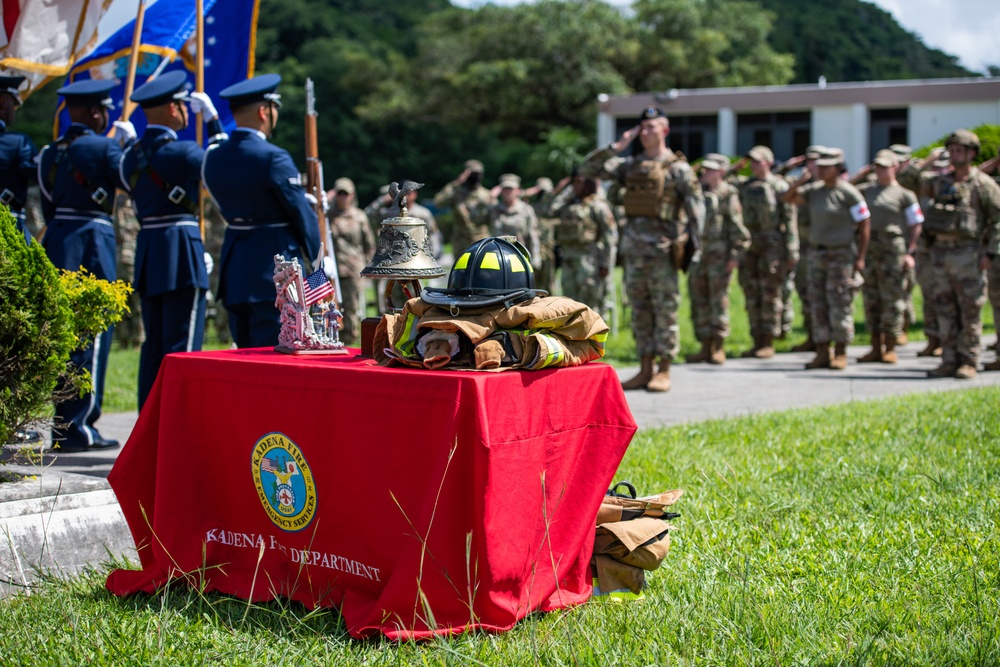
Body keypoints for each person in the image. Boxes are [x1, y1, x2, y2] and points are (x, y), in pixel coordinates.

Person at [38, 79, 134, 452]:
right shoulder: (105, 147)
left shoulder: (49, 151)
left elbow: (47, 202)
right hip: (93, 241)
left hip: (59, 239)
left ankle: (62, 424)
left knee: (62, 334)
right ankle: (80, 426)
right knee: (92, 335)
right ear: (96, 112)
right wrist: (126, 146)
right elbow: (129, 181)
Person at [119, 71, 224, 410]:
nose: (183, 111)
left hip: (149, 249)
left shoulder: (130, 155)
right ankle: (180, 419)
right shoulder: (182, 152)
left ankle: (148, 419)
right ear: (169, 108)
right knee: (183, 345)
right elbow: (222, 166)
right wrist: (214, 124)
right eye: (180, 104)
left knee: (154, 345)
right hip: (181, 247)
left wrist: (128, 145)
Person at [581, 106, 704, 392]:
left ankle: (664, 370)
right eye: (643, 127)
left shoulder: (678, 169)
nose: (646, 132)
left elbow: (698, 211)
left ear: (665, 130)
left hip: (663, 252)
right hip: (634, 254)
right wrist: (617, 146)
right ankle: (645, 367)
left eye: (652, 127)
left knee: (665, 311)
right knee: (640, 311)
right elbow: (588, 169)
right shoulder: (630, 166)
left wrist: (695, 248)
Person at [202, 73, 321, 348]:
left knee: (244, 357)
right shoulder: (273, 157)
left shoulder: (214, 158)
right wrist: (319, 272)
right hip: (276, 274)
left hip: (236, 274)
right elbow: (301, 217)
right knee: (277, 357)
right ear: (263, 111)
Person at [919, 130, 1000, 378]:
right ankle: (949, 359)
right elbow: (906, 177)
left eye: (959, 150)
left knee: (969, 311)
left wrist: (991, 254)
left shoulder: (983, 184)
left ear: (971, 153)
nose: (954, 155)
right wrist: (930, 160)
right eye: (951, 150)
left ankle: (969, 360)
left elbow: (998, 221)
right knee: (944, 308)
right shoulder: (941, 182)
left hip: (969, 254)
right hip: (941, 254)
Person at [784, 147, 870, 370]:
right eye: (818, 167)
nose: (820, 171)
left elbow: (864, 223)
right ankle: (823, 351)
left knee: (840, 302)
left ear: (837, 168)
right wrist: (799, 181)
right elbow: (788, 198)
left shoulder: (849, 192)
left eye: (825, 167)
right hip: (816, 253)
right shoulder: (814, 190)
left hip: (840, 255)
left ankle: (840, 352)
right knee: (818, 303)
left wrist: (860, 257)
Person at [855, 149, 923, 364]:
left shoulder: (905, 194)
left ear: (896, 167)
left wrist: (910, 251)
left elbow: (916, 224)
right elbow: (844, 188)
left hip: (893, 248)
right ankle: (875, 346)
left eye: (884, 166)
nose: (880, 170)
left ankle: (891, 346)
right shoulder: (866, 191)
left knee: (892, 299)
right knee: (871, 299)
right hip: (870, 248)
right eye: (877, 166)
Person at [687, 155, 750, 364]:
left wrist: (734, 257)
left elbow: (738, 229)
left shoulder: (727, 193)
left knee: (718, 301)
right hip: (699, 255)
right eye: (704, 169)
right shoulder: (698, 192)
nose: (705, 173)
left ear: (722, 172)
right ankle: (705, 346)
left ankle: (719, 347)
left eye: (711, 170)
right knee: (699, 300)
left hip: (719, 256)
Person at [738, 145, 798, 359]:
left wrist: (792, 251)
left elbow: (790, 220)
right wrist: (737, 167)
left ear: (769, 162)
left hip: (773, 247)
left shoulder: (780, 186)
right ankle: (756, 339)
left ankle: (769, 340)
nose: (754, 165)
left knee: (771, 294)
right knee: (752, 294)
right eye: (751, 161)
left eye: (758, 161)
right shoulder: (745, 186)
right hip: (750, 246)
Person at [546, 171, 618, 313]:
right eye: (574, 183)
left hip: (590, 261)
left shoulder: (597, 206)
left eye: (580, 182)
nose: (576, 186)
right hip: (569, 259)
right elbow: (548, 210)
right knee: (569, 304)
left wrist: (606, 264)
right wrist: (564, 190)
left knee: (591, 303)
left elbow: (610, 237)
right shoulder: (567, 205)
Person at [326, 177, 374, 344]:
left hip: (353, 268)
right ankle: (332, 338)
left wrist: (366, 265)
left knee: (352, 308)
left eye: (346, 194)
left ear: (352, 195)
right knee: (330, 308)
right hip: (332, 271)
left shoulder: (359, 216)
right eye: (339, 193)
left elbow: (369, 245)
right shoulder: (326, 216)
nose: (342, 197)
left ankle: (349, 340)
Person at [0, 74, 38, 244]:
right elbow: (41, 177)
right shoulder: (18, 143)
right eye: (13, 104)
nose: (14, 111)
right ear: (2, 101)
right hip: (7, 227)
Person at [433, 159, 494, 256]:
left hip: (481, 240)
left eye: (477, 174)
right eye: (472, 174)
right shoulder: (455, 192)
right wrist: (456, 183)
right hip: (460, 242)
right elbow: (438, 203)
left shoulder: (486, 195)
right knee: (461, 270)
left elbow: (494, 219)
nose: (475, 177)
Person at [481, 173, 540, 260]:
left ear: (518, 190)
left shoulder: (526, 210)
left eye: (510, 188)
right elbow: (476, 220)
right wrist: (489, 198)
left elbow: (533, 235)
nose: (507, 192)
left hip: (519, 257)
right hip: (496, 258)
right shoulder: (494, 209)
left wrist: (535, 259)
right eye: (505, 189)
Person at [522, 176, 558, 295]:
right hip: (533, 249)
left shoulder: (553, 205)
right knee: (534, 282)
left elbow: (558, 193)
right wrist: (534, 190)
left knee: (549, 282)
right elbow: (519, 196)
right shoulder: (531, 206)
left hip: (548, 249)